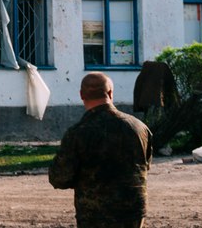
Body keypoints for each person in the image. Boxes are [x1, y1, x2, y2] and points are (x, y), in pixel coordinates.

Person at [49, 72, 154, 228]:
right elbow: (145, 165)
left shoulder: (78, 133)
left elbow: (59, 177)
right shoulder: (139, 128)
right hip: (133, 210)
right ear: (110, 93)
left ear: (82, 95)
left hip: (95, 213)